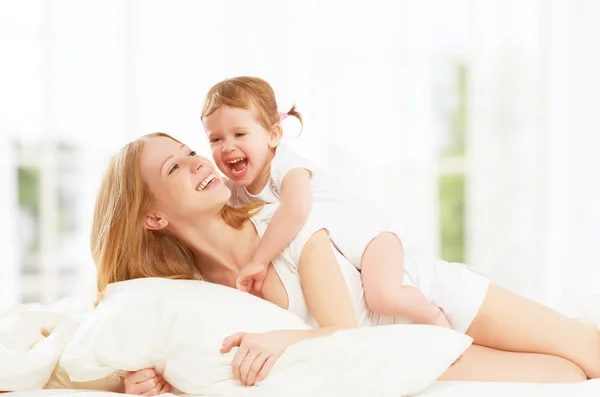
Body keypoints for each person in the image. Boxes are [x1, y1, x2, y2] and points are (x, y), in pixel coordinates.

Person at [92, 132, 599, 395]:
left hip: (428, 298)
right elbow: (153, 339)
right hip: (405, 349)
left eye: (188, 151)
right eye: (174, 167)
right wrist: (142, 380)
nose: (201, 161)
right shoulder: (190, 291)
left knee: (588, 352)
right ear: (152, 215)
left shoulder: (280, 225)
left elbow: (342, 328)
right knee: (565, 377)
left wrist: (281, 339)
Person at [201, 76, 450, 328]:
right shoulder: (230, 190)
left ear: (273, 135)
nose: (227, 147)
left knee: (383, 297)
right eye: (216, 139)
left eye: (239, 134)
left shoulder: (288, 168)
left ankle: (434, 314)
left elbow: (295, 210)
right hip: (340, 259)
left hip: (371, 239)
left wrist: (259, 260)